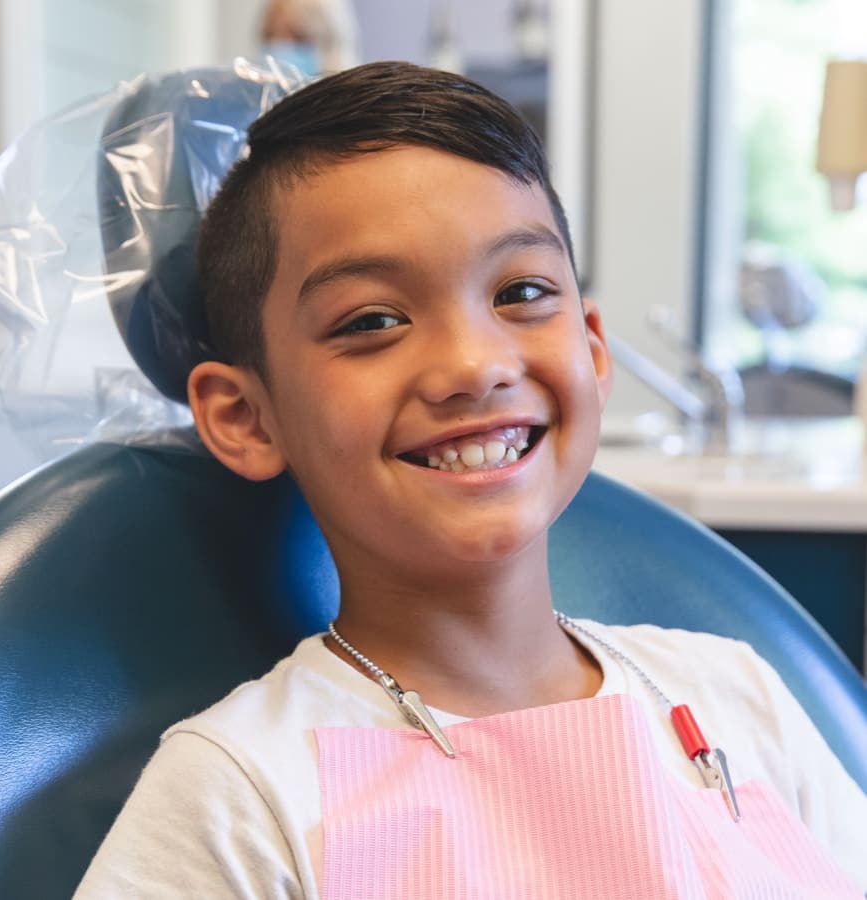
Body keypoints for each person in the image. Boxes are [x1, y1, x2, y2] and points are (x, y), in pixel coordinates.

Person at [75, 61, 867, 898]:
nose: (473, 365)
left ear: (593, 351)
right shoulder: (239, 795)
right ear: (245, 415)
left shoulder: (735, 693)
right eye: (373, 321)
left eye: (522, 292)